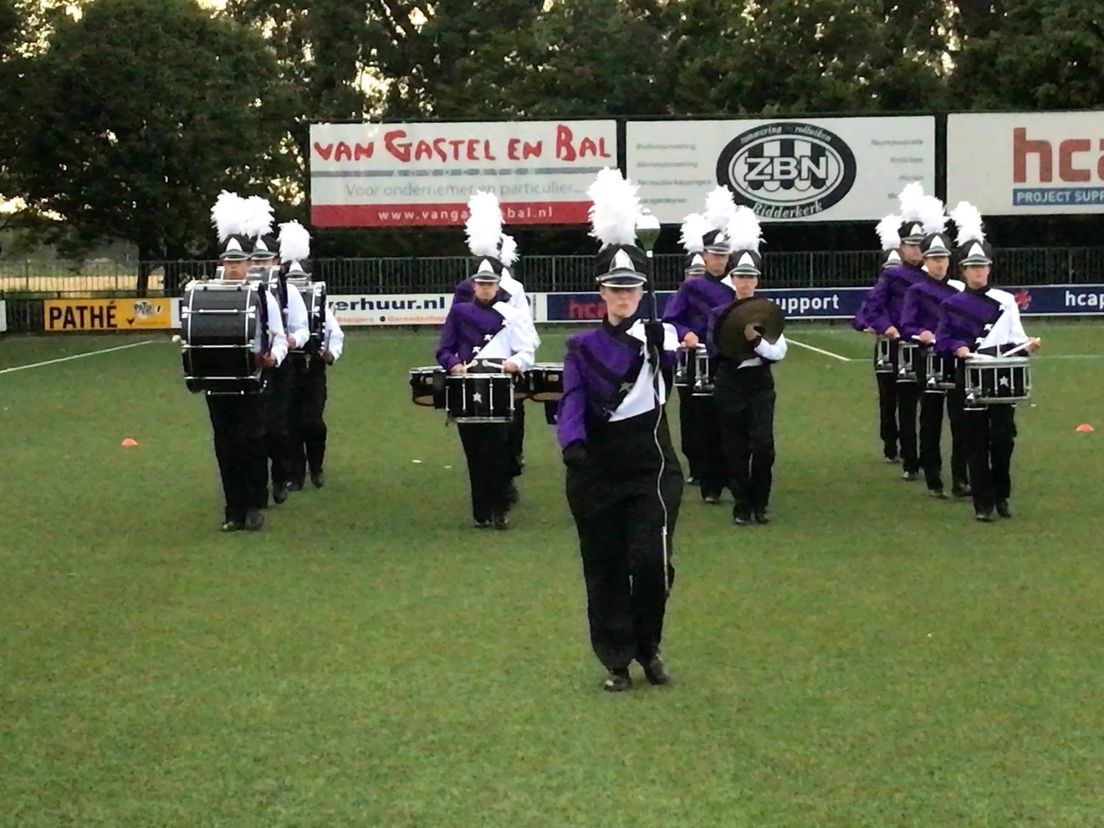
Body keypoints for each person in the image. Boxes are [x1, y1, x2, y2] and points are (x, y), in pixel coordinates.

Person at [558, 168, 683, 693]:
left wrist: (658, 344)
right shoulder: (581, 347)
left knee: (651, 563)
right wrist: (574, 445)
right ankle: (617, 660)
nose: (624, 295)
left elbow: (670, 376)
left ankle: (649, 645)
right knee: (605, 567)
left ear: (641, 289)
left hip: (651, 466)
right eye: (615, 287)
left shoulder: (661, 333)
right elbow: (572, 398)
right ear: (601, 291)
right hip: (597, 469)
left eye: (632, 286)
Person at [936, 202, 1040, 522]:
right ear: (963, 271)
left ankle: (1002, 495)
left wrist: (1028, 345)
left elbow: (1016, 338)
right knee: (975, 441)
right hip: (969, 377)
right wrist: (959, 349)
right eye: (972, 267)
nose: (978, 272)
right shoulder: (952, 303)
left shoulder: (1006, 301)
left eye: (982, 267)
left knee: (1003, 441)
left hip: (1002, 377)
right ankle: (983, 503)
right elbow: (943, 341)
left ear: (989, 268)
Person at [205, 191, 289, 531]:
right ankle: (232, 511)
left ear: (248, 265)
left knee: (251, 442)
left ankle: (254, 502)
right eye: (228, 262)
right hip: (219, 382)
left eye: (238, 262)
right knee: (225, 447)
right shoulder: (208, 293)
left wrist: (274, 356)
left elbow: (280, 337)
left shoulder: (263, 295)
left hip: (252, 380)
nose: (233, 267)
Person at [451, 192, 539, 501]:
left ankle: (507, 476)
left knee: (511, 430)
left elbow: (524, 331)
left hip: (506, 367)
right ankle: (491, 493)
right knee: (478, 434)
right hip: (474, 372)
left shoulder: (514, 290)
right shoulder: (465, 289)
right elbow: (458, 329)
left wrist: (519, 358)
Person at [436, 259, 536, 530]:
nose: (485, 288)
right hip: (467, 389)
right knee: (475, 452)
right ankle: (481, 512)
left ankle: (501, 509)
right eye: (481, 284)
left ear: (497, 286)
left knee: (500, 451)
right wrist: (454, 365)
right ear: (474, 286)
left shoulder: (510, 314)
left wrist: (516, 363)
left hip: (501, 389)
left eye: (490, 284)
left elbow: (527, 350)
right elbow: (444, 350)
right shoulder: (459, 313)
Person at [707, 207, 788, 526]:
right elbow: (714, 347)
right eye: (740, 276)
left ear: (757, 280)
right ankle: (742, 505)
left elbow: (778, 350)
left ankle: (760, 502)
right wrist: (738, 345)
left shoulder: (768, 311)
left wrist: (755, 343)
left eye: (750, 276)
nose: (745, 282)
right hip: (729, 384)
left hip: (760, 385)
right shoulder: (719, 312)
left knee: (764, 446)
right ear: (732, 279)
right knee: (735, 449)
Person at [856, 183, 931, 481]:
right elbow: (870, 309)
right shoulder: (893, 276)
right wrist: (885, 328)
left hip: (931, 348)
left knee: (932, 407)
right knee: (900, 403)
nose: (918, 251)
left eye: (920, 245)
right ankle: (903, 454)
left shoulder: (935, 276)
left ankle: (928, 457)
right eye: (912, 246)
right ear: (901, 248)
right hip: (899, 348)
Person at [662, 203, 734, 503]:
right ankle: (705, 475)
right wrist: (685, 334)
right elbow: (670, 320)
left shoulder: (737, 285)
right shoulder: (690, 288)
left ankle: (731, 473)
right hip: (697, 361)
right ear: (704, 257)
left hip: (729, 360)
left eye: (723, 255)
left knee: (728, 420)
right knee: (699, 421)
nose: (719, 260)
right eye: (714, 255)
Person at [243, 197, 310, 505]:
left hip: (279, 366)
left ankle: (281, 474)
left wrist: (284, 348)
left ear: (276, 263)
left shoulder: (289, 291)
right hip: (247, 368)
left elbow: (301, 329)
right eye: (255, 260)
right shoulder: (241, 293)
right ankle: (255, 485)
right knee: (252, 430)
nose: (260, 265)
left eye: (265, 260)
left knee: (277, 428)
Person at [899, 223, 970, 499]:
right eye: (934, 259)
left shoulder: (960, 289)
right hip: (928, 360)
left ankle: (960, 478)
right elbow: (907, 325)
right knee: (930, 421)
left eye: (943, 259)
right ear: (925, 260)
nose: (939, 264)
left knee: (962, 421)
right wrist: (921, 333)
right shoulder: (916, 290)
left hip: (956, 360)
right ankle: (933, 478)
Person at [278, 220, 345, 490]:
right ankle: (296, 474)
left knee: (312, 422)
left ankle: (316, 466)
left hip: (313, 369)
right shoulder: (281, 302)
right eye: (291, 280)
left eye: (300, 279)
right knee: (290, 421)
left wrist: (330, 354)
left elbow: (335, 335)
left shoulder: (320, 306)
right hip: (288, 367)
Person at [854, 217, 903, 463]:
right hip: (885, 351)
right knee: (888, 400)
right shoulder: (878, 292)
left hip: (909, 351)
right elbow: (860, 318)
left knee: (908, 400)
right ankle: (890, 445)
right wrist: (873, 327)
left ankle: (907, 445)